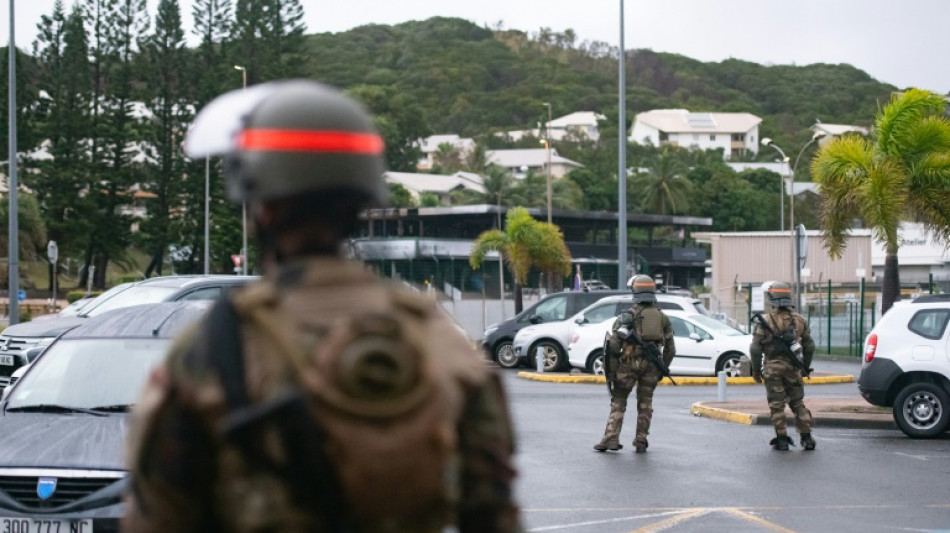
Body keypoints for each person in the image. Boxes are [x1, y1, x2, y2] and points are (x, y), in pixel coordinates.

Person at [123, 80, 521, 532]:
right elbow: (496, 515)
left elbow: (155, 517)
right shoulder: (439, 342)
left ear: (262, 209)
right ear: (362, 200)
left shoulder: (214, 348)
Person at [594, 274, 675, 453]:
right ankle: (641, 440)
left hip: (628, 365)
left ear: (635, 291)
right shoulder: (663, 317)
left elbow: (613, 346)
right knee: (645, 403)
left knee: (618, 401)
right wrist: (663, 368)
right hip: (652, 367)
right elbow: (670, 348)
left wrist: (612, 372)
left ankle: (611, 439)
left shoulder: (627, 316)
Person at [749, 281, 817, 451]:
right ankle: (807, 437)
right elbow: (809, 346)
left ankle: (782, 439)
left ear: (772, 298)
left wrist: (756, 371)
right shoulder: (800, 321)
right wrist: (804, 367)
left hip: (773, 369)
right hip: (793, 369)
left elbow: (755, 348)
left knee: (776, 404)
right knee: (797, 402)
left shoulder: (765, 321)